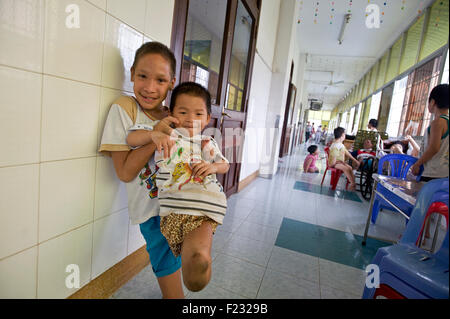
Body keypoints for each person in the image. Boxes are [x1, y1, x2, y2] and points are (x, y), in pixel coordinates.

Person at [98, 42, 184, 299]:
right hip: (151, 210)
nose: (149, 87)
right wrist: (154, 136)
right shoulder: (125, 108)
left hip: (177, 202)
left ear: (172, 82)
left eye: (160, 80)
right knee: (165, 257)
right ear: (132, 72)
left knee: (178, 252)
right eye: (143, 76)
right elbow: (124, 173)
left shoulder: (172, 114)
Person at [127, 82, 230, 292]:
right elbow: (131, 137)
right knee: (188, 247)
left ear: (208, 119)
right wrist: (154, 134)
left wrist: (211, 166)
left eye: (199, 113)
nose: (191, 119)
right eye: (183, 112)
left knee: (199, 246)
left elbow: (225, 165)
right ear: (170, 113)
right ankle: (195, 263)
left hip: (204, 205)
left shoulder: (205, 141)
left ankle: (200, 260)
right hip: (173, 208)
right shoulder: (164, 134)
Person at [411, 84, 449, 181]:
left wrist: (418, 164)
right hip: (444, 174)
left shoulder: (437, 123)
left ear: (432, 102)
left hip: (432, 174)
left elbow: (434, 148)